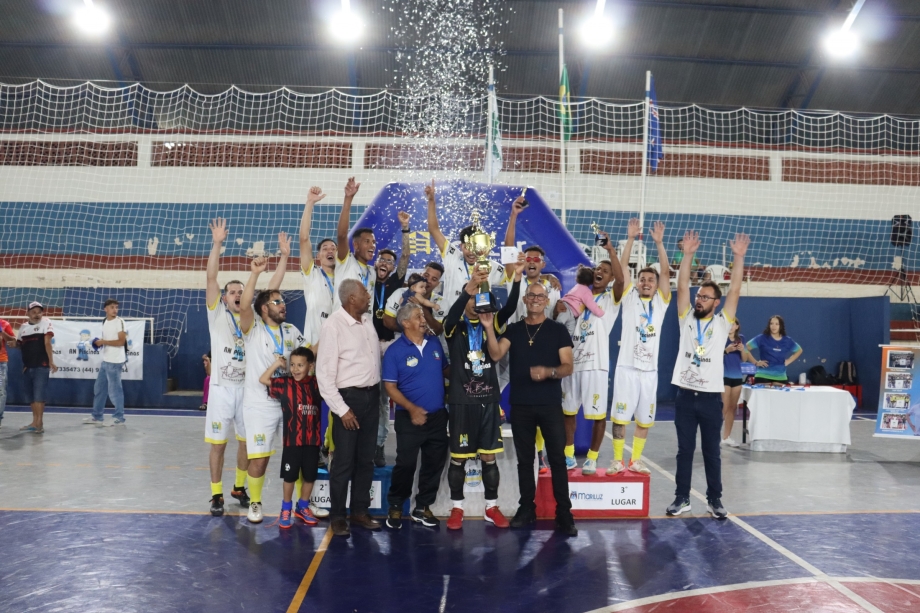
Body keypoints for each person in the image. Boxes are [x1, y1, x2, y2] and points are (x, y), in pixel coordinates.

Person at [203, 219, 288, 517]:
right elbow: (211, 278)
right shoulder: (217, 314)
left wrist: (282, 258)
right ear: (225, 298)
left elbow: (272, 290)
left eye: (241, 290)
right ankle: (216, 495)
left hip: (247, 390)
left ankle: (239, 487)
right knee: (218, 444)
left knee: (245, 444)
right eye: (233, 292)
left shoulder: (254, 320)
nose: (238, 294)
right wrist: (217, 244)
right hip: (222, 389)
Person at [667, 230, 750, 521]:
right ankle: (681, 498)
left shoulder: (723, 323)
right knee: (684, 451)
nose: (699, 299)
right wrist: (687, 255)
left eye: (706, 297)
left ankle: (715, 499)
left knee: (711, 452)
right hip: (685, 397)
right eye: (699, 295)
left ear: (717, 302)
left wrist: (738, 258)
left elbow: (736, 291)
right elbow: (681, 289)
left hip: (711, 398)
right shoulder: (686, 318)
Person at [487, 282, 576, 536]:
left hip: (549, 404)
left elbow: (568, 366)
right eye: (532, 295)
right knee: (525, 461)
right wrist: (487, 327)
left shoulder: (558, 330)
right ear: (525, 300)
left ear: (547, 301)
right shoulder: (514, 330)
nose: (536, 299)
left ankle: (564, 513)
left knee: (558, 460)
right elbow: (495, 355)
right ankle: (527, 508)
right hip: (522, 405)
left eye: (540, 296)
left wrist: (549, 372)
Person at [441, 258, 524, 531]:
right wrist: (472, 284)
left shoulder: (492, 322)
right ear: (465, 300)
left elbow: (511, 306)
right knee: (459, 458)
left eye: (480, 297)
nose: (476, 302)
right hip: (462, 401)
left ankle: (491, 506)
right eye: (471, 298)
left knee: (489, 457)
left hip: (488, 401)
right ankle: (457, 508)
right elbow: (450, 316)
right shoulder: (455, 327)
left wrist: (517, 278)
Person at [239, 245, 306, 525]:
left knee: (299, 455)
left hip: (290, 403)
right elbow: (245, 305)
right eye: (277, 302)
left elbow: (306, 361)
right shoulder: (252, 328)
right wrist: (254, 275)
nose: (283, 305)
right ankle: (255, 502)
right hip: (260, 404)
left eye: (283, 302)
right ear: (264, 309)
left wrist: (284, 258)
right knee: (260, 459)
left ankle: (302, 504)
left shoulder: (292, 331)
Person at [555, 228, 625, 474]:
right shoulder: (576, 296)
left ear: (609, 279)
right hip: (571, 364)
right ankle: (569, 455)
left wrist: (610, 251)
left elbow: (622, 280)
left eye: (605, 272)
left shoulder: (610, 300)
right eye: (598, 269)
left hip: (596, 366)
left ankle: (593, 458)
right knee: (568, 412)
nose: (600, 273)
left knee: (596, 416)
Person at [316, 279, 383, 537]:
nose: (369, 296)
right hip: (348, 400)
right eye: (365, 293)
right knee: (343, 462)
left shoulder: (367, 322)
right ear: (351, 299)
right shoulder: (333, 326)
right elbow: (324, 376)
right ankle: (338, 516)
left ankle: (359, 510)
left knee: (365, 460)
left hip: (371, 397)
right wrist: (342, 410)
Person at [609, 220, 671, 475]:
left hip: (649, 372)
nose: (646, 282)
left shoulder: (662, 302)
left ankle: (635, 460)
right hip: (626, 368)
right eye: (642, 279)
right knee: (620, 418)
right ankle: (616, 460)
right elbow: (622, 269)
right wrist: (631, 239)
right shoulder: (629, 297)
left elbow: (666, 273)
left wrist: (659, 243)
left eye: (650, 280)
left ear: (656, 286)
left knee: (644, 419)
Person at [382, 302, 449, 529]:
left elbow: (445, 371)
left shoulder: (434, 343)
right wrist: (412, 409)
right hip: (409, 418)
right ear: (405, 323)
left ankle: (422, 506)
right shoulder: (394, 351)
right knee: (406, 464)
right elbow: (390, 387)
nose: (423, 319)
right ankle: (396, 506)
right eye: (419, 316)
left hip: (438, 417)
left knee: (434, 464)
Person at [260, 347, 326, 528]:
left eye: (300, 365)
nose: (295, 369)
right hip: (292, 441)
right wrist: (277, 364)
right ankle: (286, 508)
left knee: (310, 476)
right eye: (293, 365)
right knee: (289, 477)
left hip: (312, 441)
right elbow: (263, 379)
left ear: (310, 366)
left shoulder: (317, 384)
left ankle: (303, 507)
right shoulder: (284, 383)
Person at [425, 180, 509, 308]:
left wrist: (545, 277)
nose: (471, 252)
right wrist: (431, 201)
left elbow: (516, 277)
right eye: (467, 247)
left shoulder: (492, 267)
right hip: (451, 322)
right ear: (461, 246)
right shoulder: (452, 256)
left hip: (479, 322)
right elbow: (434, 229)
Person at [371, 212, 412, 468]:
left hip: (391, 345)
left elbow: (405, 256)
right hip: (366, 345)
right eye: (382, 259)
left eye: (390, 260)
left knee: (385, 399)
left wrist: (405, 229)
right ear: (376, 263)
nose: (385, 262)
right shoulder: (365, 280)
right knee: (368, 397)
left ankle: (378, 444)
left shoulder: (396, 282)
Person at [83, 298, 128, 427]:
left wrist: (104, 342)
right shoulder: (105, 321)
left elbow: (120, 342)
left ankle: (119, 417)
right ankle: (97, 416)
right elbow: (110, 339)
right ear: (105, 309)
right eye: (112, 307)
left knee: (115, 391)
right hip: (106, 360)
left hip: (115, 362)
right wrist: (101, 341)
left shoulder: (120, 322)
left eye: (116, 307)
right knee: (99, 389)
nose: (115, 310)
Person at [334, 177, 376, 312]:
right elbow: (341, 235)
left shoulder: (372, 272)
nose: (372, 246)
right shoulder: (346, 261)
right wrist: (348, 199)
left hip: (364, 327)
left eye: (374, 242)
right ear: (356, 245)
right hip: (343, 327)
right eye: (367, 242)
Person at [16, 301, 57, 433]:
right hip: (27, 367)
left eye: (39, 312)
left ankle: (39, 423)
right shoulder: (22, 328)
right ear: (28, 313)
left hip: (41, 366)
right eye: (33, 312)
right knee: (31, 397)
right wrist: (11, 342)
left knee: (39, 396)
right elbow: (19, 345)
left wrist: (51, 361)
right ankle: (34, 422)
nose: (37, 314)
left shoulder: (46, 323)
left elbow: (47, 343)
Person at [383, 262, 446, 336]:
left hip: (428, 345)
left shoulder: (441, 302)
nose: (428, 280)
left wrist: (421, 307)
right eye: (426, 275)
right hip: (401, 342)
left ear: (437, 284)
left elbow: (438, 330)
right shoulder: (400, 293)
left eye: (434, 279)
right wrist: (414, 332)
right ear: (420, 274)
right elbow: (388, 321)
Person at [721, 319, 754, 447]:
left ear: (737, 326)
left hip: (737, 376)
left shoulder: (741, 338)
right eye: (728, 323)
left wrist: (741, 350)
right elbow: (713, 356)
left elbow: (744, 358)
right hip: (724, 375)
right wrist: (726, 350)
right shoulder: (721, 337)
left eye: (733, 324)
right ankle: (714, 436)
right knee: (724, 406)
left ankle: (726, 436)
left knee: (732, 407)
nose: (730, 326)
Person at [746, 316, 803, 385]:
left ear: (781, 326)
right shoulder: (761, 338)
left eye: (777, 324)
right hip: (763, 375)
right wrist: (755, 362)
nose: (774, 326)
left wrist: (788, 361)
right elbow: (745, 348)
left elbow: (799, 350)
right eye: (771, 323)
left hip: (780, 376)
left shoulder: (787, 340)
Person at [0, 317, 14, 430]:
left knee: (1, 391)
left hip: (1, 361)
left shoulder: (4, 323)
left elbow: (12, 340)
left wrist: (1, 332)